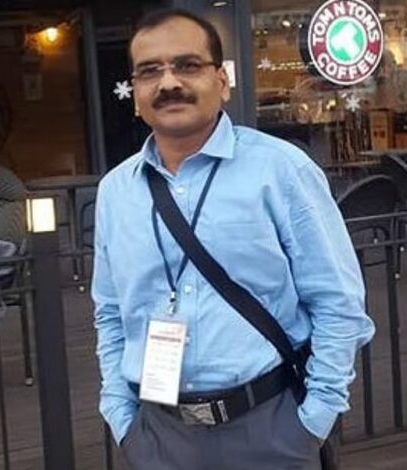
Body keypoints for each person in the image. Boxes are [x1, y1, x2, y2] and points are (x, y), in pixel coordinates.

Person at [91, 9, 375, 470]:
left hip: (271, 430)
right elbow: (109, 313)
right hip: (158, 437)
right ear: (136, 94)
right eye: (150, 71)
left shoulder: (281, 170)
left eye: (187, 65)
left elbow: (339, 303)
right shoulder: (116, 192)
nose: (169, 83)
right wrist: (122, 419)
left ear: (221, 81)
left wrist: (313, 421)